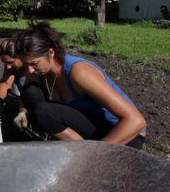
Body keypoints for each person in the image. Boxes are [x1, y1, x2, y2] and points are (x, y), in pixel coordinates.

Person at [13, 21, 147, 148]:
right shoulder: (39, 72)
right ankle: (83, 149)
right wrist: (22, 111)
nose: (30, 70)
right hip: (94, 126)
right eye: (26, 64)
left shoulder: (79, 73)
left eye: (34, 63)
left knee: (44, 111)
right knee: (39, 105)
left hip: (125, 134)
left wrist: (96, 154)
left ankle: (86, 153)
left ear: (51, 52)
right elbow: (25, 91)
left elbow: (136, 121)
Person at [0, 38, 28, 116]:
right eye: (5, 62)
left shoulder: (32, 66)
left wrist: (22, 111)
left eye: (10, 62)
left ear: (21, 56)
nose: (8, 67)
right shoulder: (10, 63)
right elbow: (6, 82)